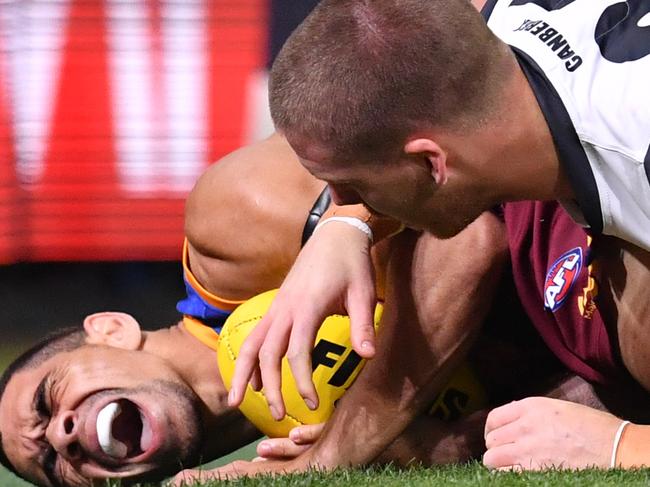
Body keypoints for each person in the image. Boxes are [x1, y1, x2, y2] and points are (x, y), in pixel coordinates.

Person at [0, 133, 574, 486]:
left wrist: (342, 449)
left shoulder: (230, 230)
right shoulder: (303, 435)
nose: (65, 433)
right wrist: (443, 445)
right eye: (53, 468)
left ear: (111, 330)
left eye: (47, 400)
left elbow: (468, 233)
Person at [225, 0, 650, 473]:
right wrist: (344, 225)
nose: (337, 199)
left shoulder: (637, 157)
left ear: (432, 162)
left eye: (352, 186)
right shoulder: (497, 18)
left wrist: (623, 444)